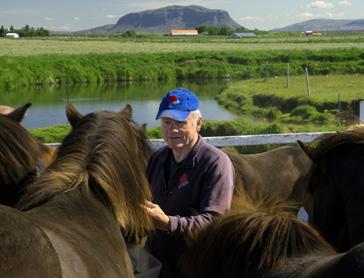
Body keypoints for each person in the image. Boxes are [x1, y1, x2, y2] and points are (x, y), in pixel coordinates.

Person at [145, 88, 235, 277]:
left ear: (198, 123)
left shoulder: (216, 163)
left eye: (180, 122)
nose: (172, 130)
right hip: (158, 264)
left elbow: (214, 222)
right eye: (167, 122)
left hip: (196, 267)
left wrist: (169, 223)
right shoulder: (157, 158)